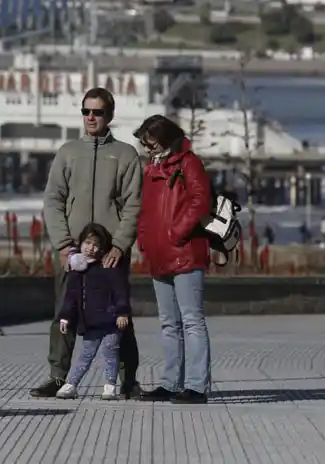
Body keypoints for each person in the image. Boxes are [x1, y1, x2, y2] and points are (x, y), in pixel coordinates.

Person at [31, 86, 143, 399]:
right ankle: (57, 377)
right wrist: (64, 244)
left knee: (120, 313)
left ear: (110, 115)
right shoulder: (68, 152)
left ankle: (128, 380)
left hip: (110, 254)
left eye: (98, 112)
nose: (91, 117)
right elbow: (53, 200)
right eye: (86, 111)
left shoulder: (125, 155)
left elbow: (134, 205)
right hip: (73, 251)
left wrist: (119, 245)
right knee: (64, 311)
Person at [134, 115, 212, 405]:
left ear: (166, 139)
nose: (148, 149)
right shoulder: (151, 167)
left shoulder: (188, 163)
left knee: (191, 320)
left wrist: (176, 232)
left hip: (185, 252)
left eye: (151, 143)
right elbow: (146, 209)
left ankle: (196, 386)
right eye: (145, 144)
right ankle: (170, 382)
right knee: (169, 323)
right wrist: (145, 239)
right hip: (159, 253)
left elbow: (200, 200)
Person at [55, 223, 131, 400]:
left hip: (111, 321)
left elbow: (121, 292)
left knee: (110, 352)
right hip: (90, 322)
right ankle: (71, 384)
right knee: (86, 354)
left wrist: (122, 312)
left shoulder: (109, 268)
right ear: (81, 243)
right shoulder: (77, 271)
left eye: (96, 245)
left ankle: (110, 386)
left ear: (102, 248)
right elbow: (71, 297)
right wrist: (65, 317)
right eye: (87, 243)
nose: (91, 248)